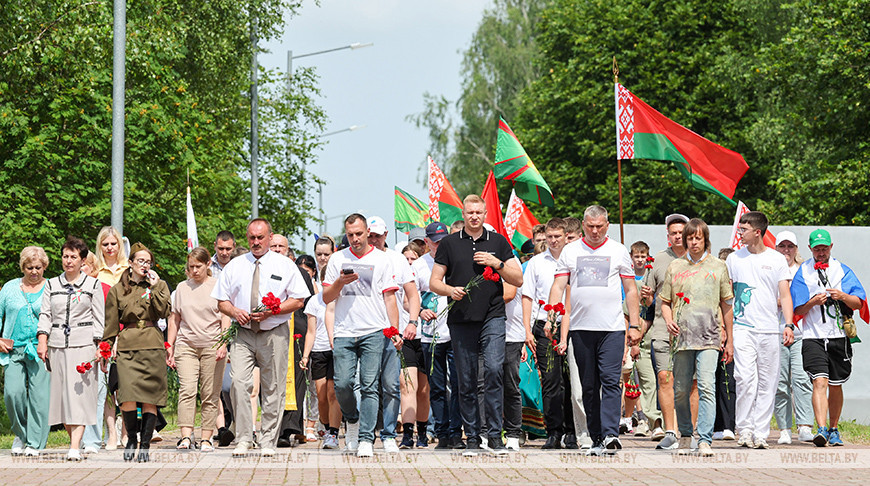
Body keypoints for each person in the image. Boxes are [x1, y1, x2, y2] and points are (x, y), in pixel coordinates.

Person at [430, 195, 523, 456]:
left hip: (493, 317)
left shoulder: (498, 241)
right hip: (461, 320)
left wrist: (498, 263)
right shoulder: (449, 243)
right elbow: (434, 282)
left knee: (494, 370)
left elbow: (518, 278)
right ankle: (472, 437)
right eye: (469, 212)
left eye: (478, 212)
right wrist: (450, 289)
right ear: (464, 213)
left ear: (485, 214)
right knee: (467, 379)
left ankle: (495, 436)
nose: (474, 216)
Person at [212, 218, 311, 457]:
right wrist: (235, 311)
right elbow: (221, 301)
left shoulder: (285, 265)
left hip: (274, 332)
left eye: (260, 237)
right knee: (238, 384)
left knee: (273, 387)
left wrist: (274, 310)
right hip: (243, 332)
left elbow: (298, 299)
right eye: (252, 238)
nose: (256, 242)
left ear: (269, 237)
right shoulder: (235, 265)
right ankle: (245, 438)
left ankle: (268, 439)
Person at [550, 205, 641, 456]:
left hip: (612, 329)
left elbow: (631, 290)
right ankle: (597, 437)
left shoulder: (618, 251)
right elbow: (558, 285)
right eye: (590, 226)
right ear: (582, 225)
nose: (594, 231)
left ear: (607, 225)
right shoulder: (570, 251)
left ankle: (612, 433)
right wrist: (551, 316)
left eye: (599, 226)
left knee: (611, 381)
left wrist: (634, 325)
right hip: (580, 328)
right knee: (589, 386)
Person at [322, 213, 400, 458]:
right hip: (344, 331)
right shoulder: (337, 259)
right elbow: (326, 298)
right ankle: (352, 421)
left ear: (368, 232)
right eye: (350, 235)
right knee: (343, 384)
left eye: (359, 233)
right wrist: (340, 283)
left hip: (374, 330)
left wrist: (394, 331)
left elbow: (390, 298)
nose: (354, 239)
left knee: (369, 386)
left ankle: (366, 438)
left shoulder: (382, 260)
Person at [660, 218, 734, 457]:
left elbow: (727, 305)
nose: (693, 242)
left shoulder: (718, 266)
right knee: (680, 389)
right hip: (682, 340)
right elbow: (665, 302)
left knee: (706, 387)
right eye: (689, 238)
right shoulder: (675, 267)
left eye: (697, 238)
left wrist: (729, 339)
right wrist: (669, 319)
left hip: (710, 337)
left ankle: (704, 439)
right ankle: (685, 434)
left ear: (705, 240)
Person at [791, 229, 867, 447]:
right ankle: (821, 429)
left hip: (838, 336)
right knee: (819, 381)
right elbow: (797, 308)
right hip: (812, 337)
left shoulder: (842, 270)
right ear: (810, 249)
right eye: (817, 248)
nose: (821, 252)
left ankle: (834, 428)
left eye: (824, 248)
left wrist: (842, 296)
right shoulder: (803, 272)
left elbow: (859, 302)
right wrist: (814, 302)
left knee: (835, 384)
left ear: (831, 247)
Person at [726, 211, 794, 450]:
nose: (739, 233)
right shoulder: (734, 259)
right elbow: (727, 297)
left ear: (757, 232)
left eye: (743, 229)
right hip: (743, 327)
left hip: (770, 330)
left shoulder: (777, 259)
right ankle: (744, 429)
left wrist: (788, 323)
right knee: (744, 378)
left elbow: (785, 295)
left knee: (768, 382)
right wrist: (727, 330)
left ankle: (760, 432)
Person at [37, 237, 105, 461]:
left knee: (79, 396)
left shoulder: (93, 285)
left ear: (82, 259)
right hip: (57, 344)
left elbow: (98, 318)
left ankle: (75, 445)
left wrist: (98, 347)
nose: (68, 261)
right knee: (61, 399)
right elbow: (45, 314)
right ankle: (76, 441)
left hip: (83, 344)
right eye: (65, 256)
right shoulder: (51, 284)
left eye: (73, 257)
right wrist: (42, 340)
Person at [101, 242, 170, 462]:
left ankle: (146, 445)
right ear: (130, 263)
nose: (144, 265)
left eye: (148, 261)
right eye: (140, 261)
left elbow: (163, 311)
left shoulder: (158, 285)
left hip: (152, 343)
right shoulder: (117, 290)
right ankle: (131, 438)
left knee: (150, 398)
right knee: (127, 397)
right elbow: (111, 324)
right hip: (128, 346)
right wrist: (105, 349)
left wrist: (156, 286)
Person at [367, 216, 423, 451]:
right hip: (368, 330)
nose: (374, 239)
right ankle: (366, 433)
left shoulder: (397, 259)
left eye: (378, 235)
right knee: (367, 385)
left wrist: (412, 322)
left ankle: (403, 434)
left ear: (386, 235)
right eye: (370, 235)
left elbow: (413, 294)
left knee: (401, 384)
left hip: (397, 332)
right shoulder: (357, 258)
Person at [521, 218, 578, 449]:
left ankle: (572, 431)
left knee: (572, 381)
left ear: (566, 236)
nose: (553, 241)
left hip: (574, 327)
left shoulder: (574, 260)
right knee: (551, 381)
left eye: (557, 236)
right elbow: (528, 297)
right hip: (545, 327)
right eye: (549, 237)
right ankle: (553, 431)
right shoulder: (536, 263)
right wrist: (527, 330)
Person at [166, 247, 228, 453]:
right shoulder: (182, 288)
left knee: (210, 392)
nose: (194, 271)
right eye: (191, 267)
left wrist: (223, 343)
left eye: (198, 266)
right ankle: (185, 436)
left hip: (212, 344)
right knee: (188, 390)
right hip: (186, 345)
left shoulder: (218, 286)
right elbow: (174, 318)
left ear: (208, 264)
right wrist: (170, 346)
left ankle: (207, 437)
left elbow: (226, 317)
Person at [640, 213, 690, 449]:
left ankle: (689, 432)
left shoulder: (699, 259)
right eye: (674, 233)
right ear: (667, 235)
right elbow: (648, 304)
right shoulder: (658, 259)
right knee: (664, 378)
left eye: (682, 232)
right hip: (662, 329)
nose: (678, 237)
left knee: (690, 383)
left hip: (693, 331)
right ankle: (670, 431)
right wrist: (647, 300)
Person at [413, 222, 464, 449]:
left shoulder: (458, 260)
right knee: (437, 387)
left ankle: (456, 432)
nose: (439, 245)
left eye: (443, 240)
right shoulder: (418, 266)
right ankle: (442, 434)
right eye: (435, 241)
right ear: (427, 242)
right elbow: (408, 298)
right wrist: (420, 311)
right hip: (430, 336)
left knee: (459, 385)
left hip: (456, 332)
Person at [0, 246, 51, 457]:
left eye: (38, 267)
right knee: (13, 393)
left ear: (44, 267)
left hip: (41, 349)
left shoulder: (50, 287)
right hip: (14, 349)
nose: (34, 272)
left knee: (40, 397)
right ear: (23, 267)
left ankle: (35, 443)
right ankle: (21, 434)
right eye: (29, 267)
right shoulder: (9, 288)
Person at [87, 227, 128, 454]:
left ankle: (126, 431)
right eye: (105, 244)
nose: (110, 248)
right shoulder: (96, 273)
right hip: (103, 335)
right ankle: (111, 432)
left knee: (124, 387)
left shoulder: (128, 269)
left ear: (119, 246)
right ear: (100, 246)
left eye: (113, 244)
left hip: (127, 334)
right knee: (105, 386)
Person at [773, 231, 814, 445]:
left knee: (801, 379)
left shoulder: (803, 271)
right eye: (782, 246)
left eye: (790, 246)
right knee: (779, 383)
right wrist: (782, 301)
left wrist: (786, 301)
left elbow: (807, 299)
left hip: (801, 334)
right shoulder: (770, 268)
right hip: (775, 333)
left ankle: (805, 426)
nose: (786, 250)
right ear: (776, 248)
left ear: (796, 249)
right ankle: (784, 428)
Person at [299, 267, 342, 449]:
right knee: (321, 396)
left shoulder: (342, 299)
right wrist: (306, 355)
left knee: (333, 393)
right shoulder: (314, 302)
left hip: (337, 350)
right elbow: (311, 331)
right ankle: (325, 427)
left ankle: (333, 432)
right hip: (318, 351)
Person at [622, 241, 661, 439]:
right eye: (636, 256)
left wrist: (649, 298)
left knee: (652, 380)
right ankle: (637, 418)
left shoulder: (650, 277)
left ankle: (653, 419)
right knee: (631, 380)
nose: (640, 259)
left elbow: (651, 309)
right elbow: (628, 312)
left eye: (643, 256)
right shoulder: (628, 280)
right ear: (631, 257)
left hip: (652, 336)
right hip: (632, 336)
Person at [713, 247, 737, 441]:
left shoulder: (739, 285)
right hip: (717, 336)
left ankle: (730, 424)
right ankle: (717, 424)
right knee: (717, 380)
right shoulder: (715, 283)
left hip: (740, 334)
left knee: (730, 382)